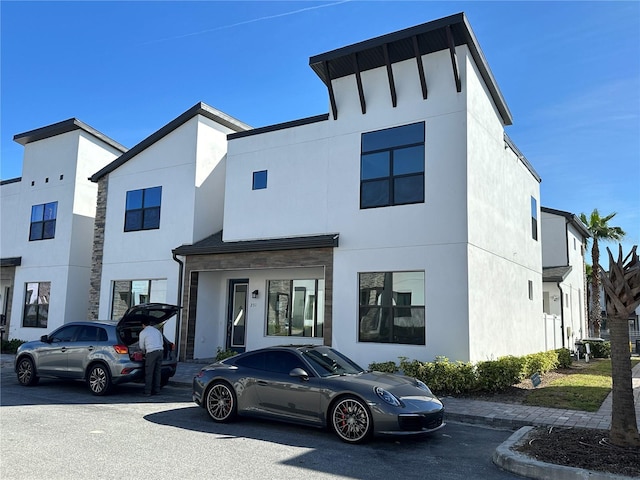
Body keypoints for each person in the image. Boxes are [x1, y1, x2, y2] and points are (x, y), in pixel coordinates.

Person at [138, 315, 164, 396]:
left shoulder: (143, 332)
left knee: (149, 372)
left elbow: (141, 346)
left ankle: (147, 391)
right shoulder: (157, 331)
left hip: (151, 352)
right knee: (157, 372)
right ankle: (157, 390)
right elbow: (162, 342)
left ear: (143, 325)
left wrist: (143, 353)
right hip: (160, 351)